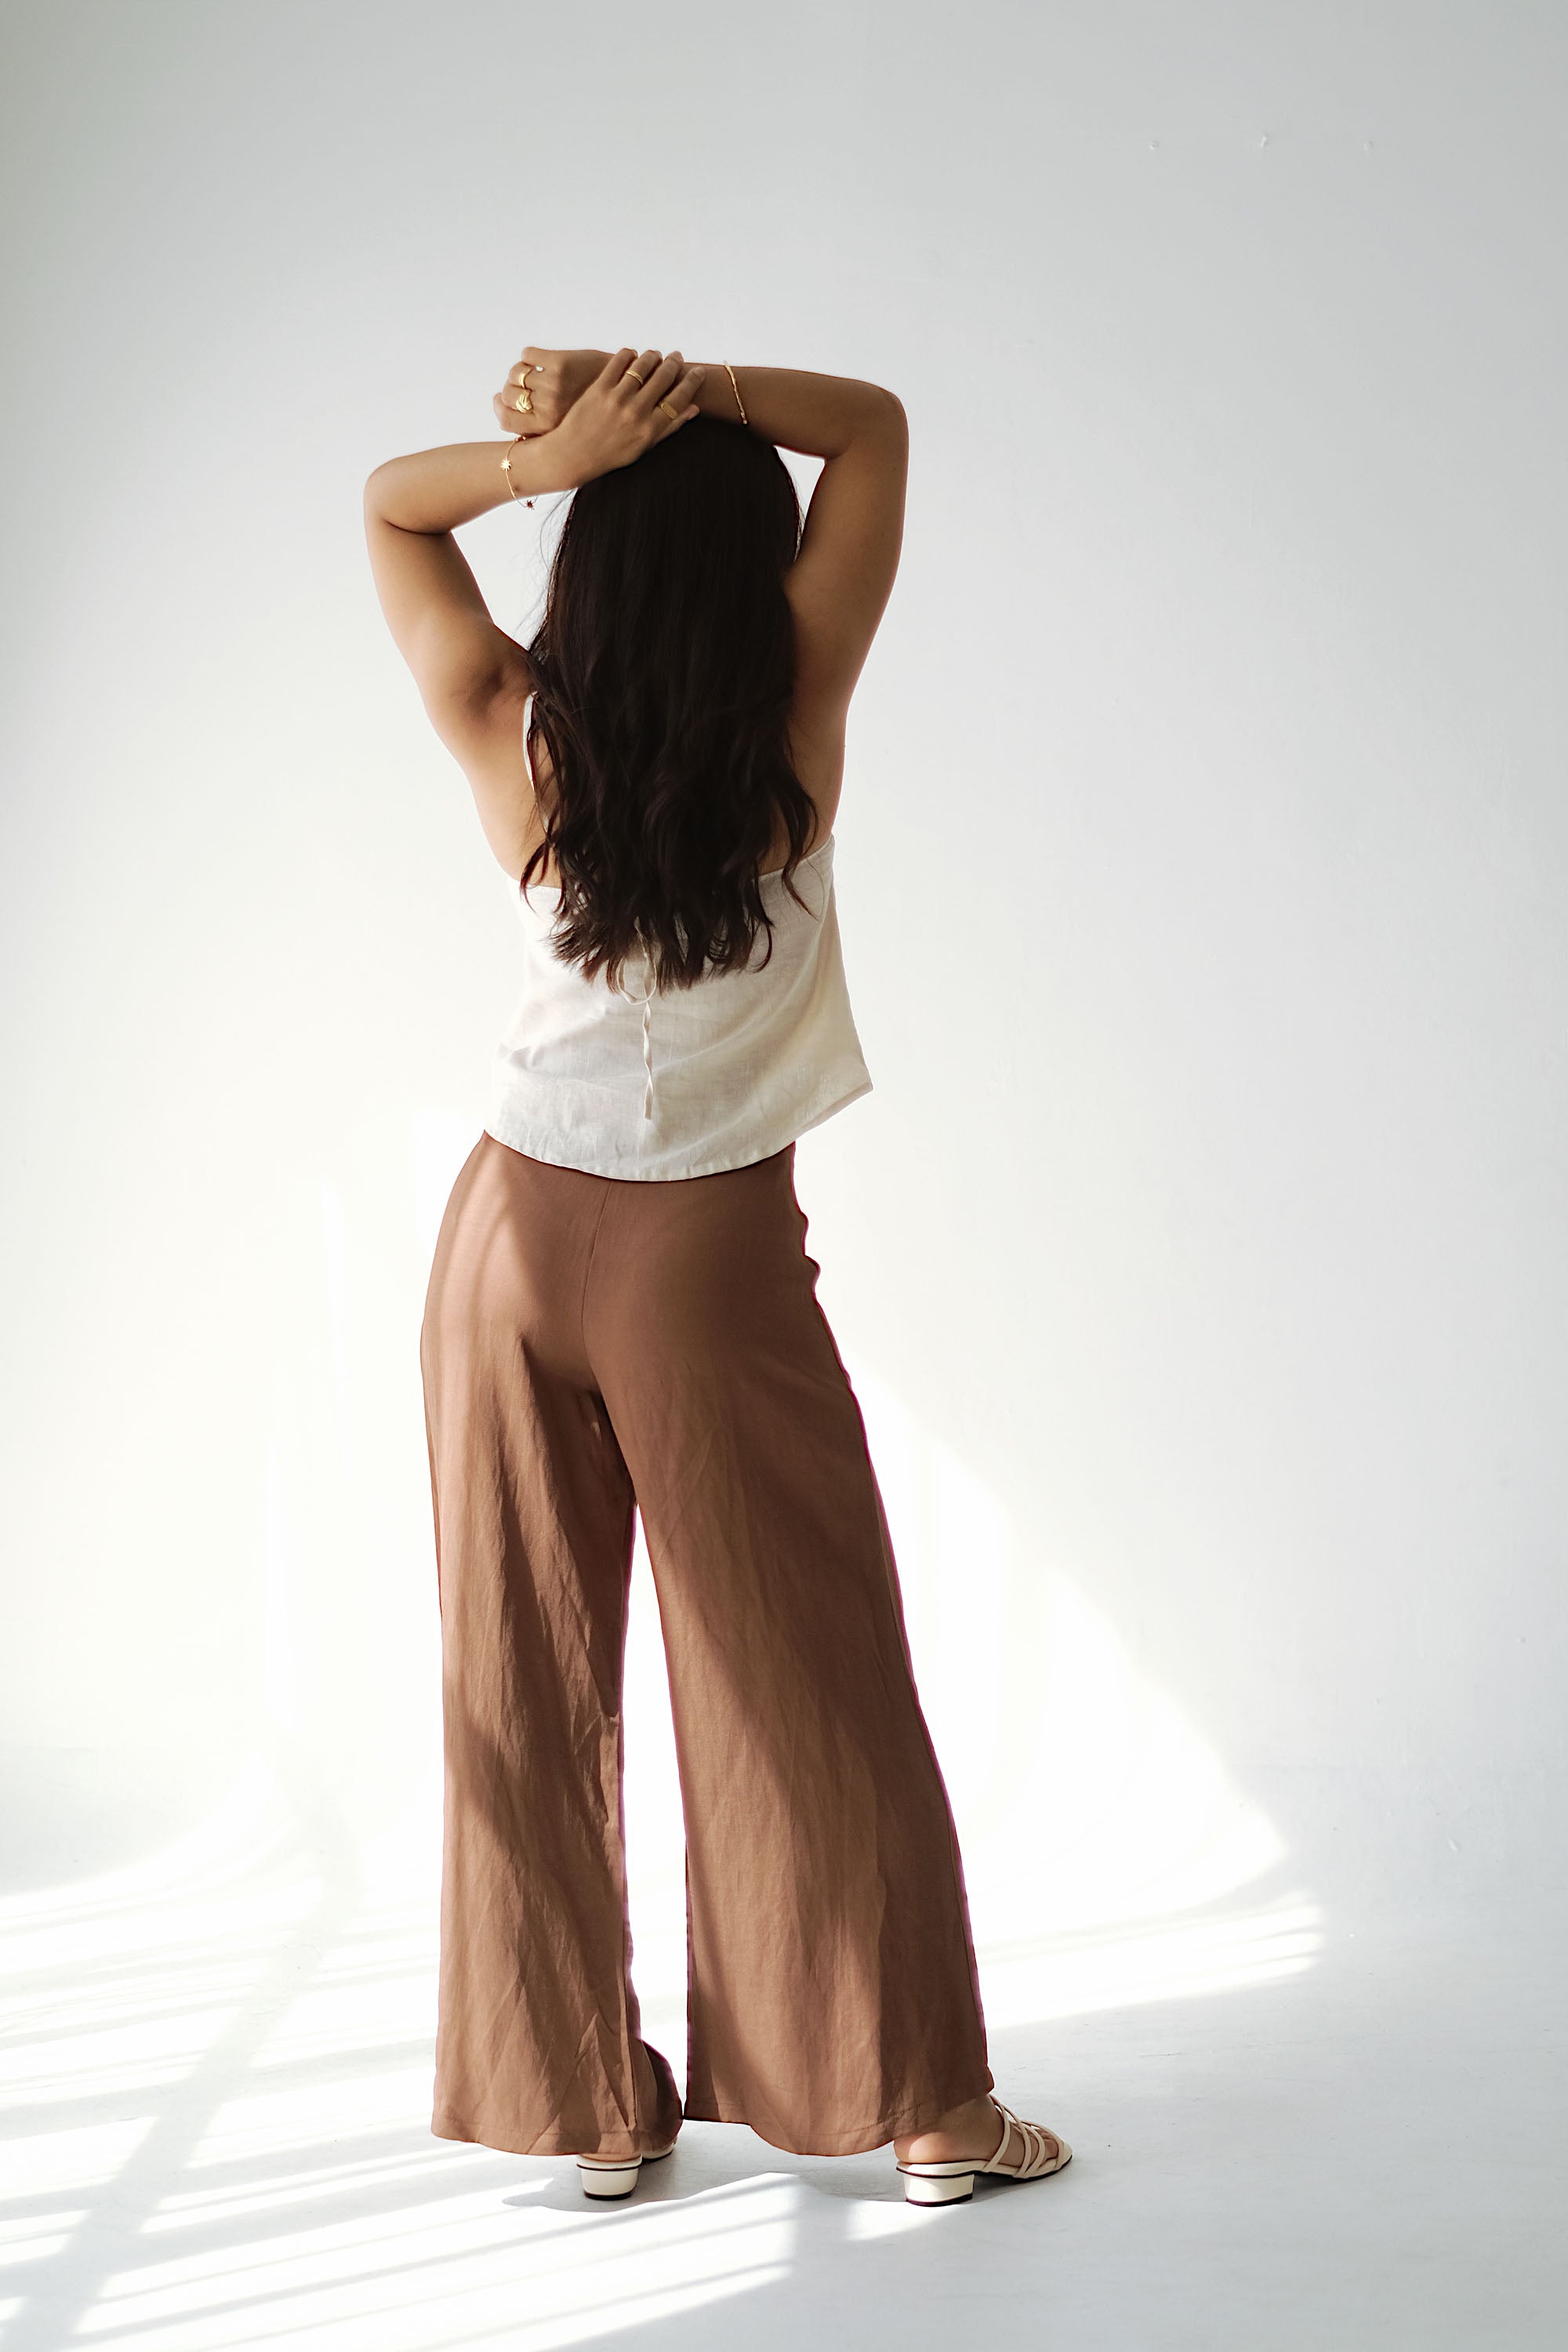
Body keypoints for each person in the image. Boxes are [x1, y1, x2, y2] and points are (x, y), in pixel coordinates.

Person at [362, 347, 1071, 2207]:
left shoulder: (515, 726)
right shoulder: (795, 727)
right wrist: (698, 390)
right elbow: (882, 426)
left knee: (516, 1677)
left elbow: (386, 501)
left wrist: (554, 445)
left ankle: (592, 2111)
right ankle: (924, 2106)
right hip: (703, 1250)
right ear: (757, 577)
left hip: (499, 1249)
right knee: (808, 1675)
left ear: (581, 575)